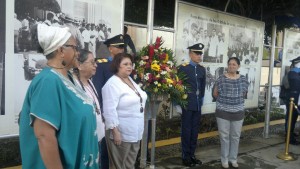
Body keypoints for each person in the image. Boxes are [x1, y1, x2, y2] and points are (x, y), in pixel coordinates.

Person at [19, 24, 99, 169]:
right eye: (75, 47)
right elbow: (44, 136)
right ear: (61, 50)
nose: (78, 52)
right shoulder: (48, 81)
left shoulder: (69, 77)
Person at [102, 53, 147, 169]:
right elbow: (109, 110)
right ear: (117, 66)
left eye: (130, 64)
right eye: (125, 64)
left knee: (130, 164)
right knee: (118, 166)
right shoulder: (112, 84)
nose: (129, 66)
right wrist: (115, 132)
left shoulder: (130, 80)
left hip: (135, 132)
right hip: (121, 133)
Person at [92, 34, 124, 169]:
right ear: (110, 49)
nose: (122, 50)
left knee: (122, 148)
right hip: (109, 113)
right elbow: (98, 90)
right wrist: (103, 113)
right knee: (105, 149)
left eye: (123, 47)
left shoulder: (126, 65)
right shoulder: (103, 65)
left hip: (123, 113)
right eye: (119, 47)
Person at [213, 57, 249, 169]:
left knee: (235, 136)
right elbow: (215, 94)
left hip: (238, 112)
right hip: (223, 112)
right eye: (229, 64)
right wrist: (226, 103)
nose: (231, 66)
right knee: (224, 137)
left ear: (238, 66)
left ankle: (233, 159)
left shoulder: (243, 79)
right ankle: (224, 159)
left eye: (234, 64)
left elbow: (244, 93)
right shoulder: (220, 79)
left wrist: (234, 103)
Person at [74, 49, 106, 168]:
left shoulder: (89, 81)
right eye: (92, 62)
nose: (96, 65)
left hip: (97, 137)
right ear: (80, 65)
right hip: (86, 140)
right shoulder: (74, 86)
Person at [178, 43, 206, 167]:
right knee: (186, 130)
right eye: (197, 53)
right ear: (190, 54)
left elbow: (203, 87)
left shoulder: (201, 69)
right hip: (186, 103)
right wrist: (177, 104)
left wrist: (201, 100)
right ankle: (185, 156)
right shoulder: (183, 68)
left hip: (197, 104)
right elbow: (177, 86)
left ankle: (192, 155)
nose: (199, 56)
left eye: (200, 53)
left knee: (194, 131)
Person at [285, 56, 300, 145]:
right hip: (293, 100)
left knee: (291, 118)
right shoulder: (294, 74)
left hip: (292, 99)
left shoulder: (292, 73)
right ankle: (289, 137)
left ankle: (289, 133)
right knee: (291, 118)